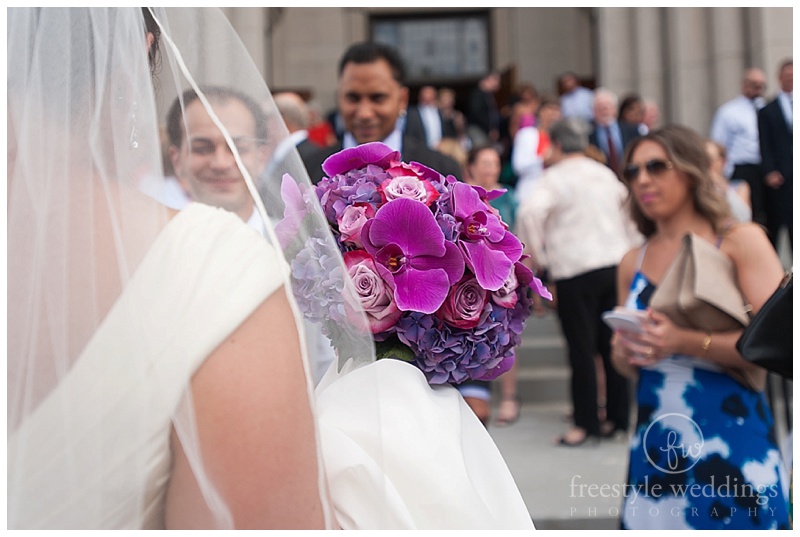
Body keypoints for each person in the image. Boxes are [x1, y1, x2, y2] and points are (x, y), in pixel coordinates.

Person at [8, 7, 534, 530]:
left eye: (236, 146)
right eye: (201, 145)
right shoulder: (220, 260)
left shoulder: (431, 170)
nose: (219, 161)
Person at [611, 124, 790, 530]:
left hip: (733, 439)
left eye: (656, 166)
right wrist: (624, 353)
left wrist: (684, 341)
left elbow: (781, 345)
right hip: (657, 445)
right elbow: (622, 363)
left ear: (690, 170)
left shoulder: (739, 240)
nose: (642, 179)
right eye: (633, 171)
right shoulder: (631, 261)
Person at [516, 118, 642, 447]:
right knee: (610, 343)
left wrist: (537, 258)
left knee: (581, 349)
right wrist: (629, 249)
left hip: (574, 269)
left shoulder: (553, 178)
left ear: (555, 145)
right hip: (614, 263)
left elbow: (530, 213)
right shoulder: (603, 173)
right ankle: (617, 418)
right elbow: (629, 211)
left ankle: (585, 423)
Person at [302, 42, 462, 184]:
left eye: (377, 98)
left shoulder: (441, 172)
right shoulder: (307, 173)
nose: (365, 113)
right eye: (353, 98)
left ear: (402, 99)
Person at [463, 144, 522, 426]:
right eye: (484, 163)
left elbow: (520, 239)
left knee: (506, 340)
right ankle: (475, 396)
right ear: (472, 166)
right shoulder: (463, 195)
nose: (490, 169)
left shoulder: (509, 198)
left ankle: (509, 398)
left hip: (505, 279)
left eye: (494, 163)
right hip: (471, 280)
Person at [167, 86, 270, 235]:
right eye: (202, 149)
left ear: (261, 158)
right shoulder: (160, 246)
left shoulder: (299, 249)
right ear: (176, 160)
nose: (221, 164)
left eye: (238, 149)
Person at [709, 67, 768, 226]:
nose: (757, 89)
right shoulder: (728, 111)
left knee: (769, 217)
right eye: (754, 84)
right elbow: (718, 143)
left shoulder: (767, 109)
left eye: (761, 85)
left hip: (765, 168)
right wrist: (724, 172)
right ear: (744, 85)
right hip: (742, 168)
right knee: (748, 216)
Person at [757, 59, 793, 250]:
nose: (791, 80)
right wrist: (769, 170)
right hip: (780, 177)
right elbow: (765, 143)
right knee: (777, 225)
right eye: (788, 76)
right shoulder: (767, 111)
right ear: (780, 78)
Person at [511, 95, 562, 204]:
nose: (553, 113)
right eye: (550, 108)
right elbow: (519, 166)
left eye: (557, 110)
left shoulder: (562, 139)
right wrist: (544, 160)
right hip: (530, 193)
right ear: (540, 112)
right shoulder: (526, 134)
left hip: (555, 196)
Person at [588, 88, 641, 174]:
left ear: (615, 109)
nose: (604, 110)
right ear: (593, 111)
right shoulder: (588, 135)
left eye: (607, 106)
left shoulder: (632, 131)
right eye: (600, 107)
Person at [705, 139, 752, 222]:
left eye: (710, 159)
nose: (706, 164)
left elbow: (744, 217)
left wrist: (721, 185)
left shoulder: (739, 186)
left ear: (723, 162)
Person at [466, 71, 502, 145]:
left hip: (485, 131)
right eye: (496, 80)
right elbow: (478, 113)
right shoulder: (478, 95)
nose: (498, 83)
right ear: (488, 80)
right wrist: (490, 128)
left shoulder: (488, 96)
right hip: (478, 130)